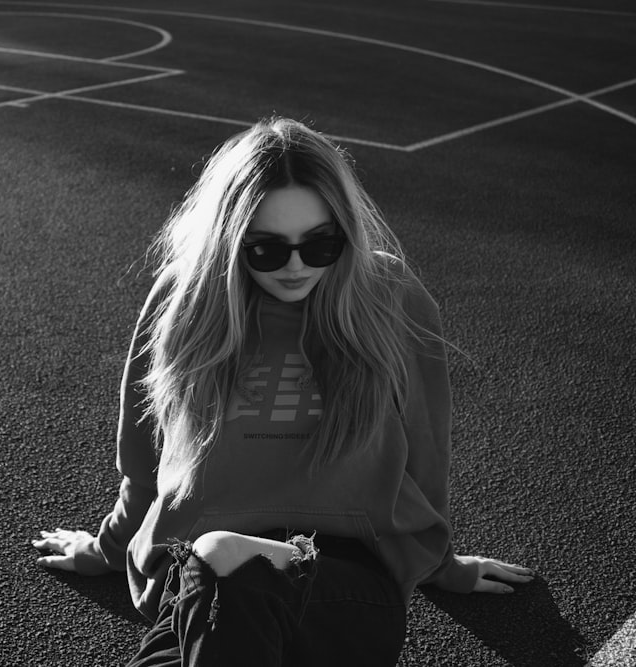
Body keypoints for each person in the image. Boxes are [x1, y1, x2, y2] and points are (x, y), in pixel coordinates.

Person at [31, 117, 533, 666]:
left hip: (341, 583)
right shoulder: (186, 300)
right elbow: (145, 451)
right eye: (267, 249)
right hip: (197, 583)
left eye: (320, 244)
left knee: (229, 557)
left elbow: (426, 449)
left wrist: (444, 565)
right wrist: (107, 547)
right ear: (228, 240)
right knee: (221, 562)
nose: (296, 267)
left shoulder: (390, 298)